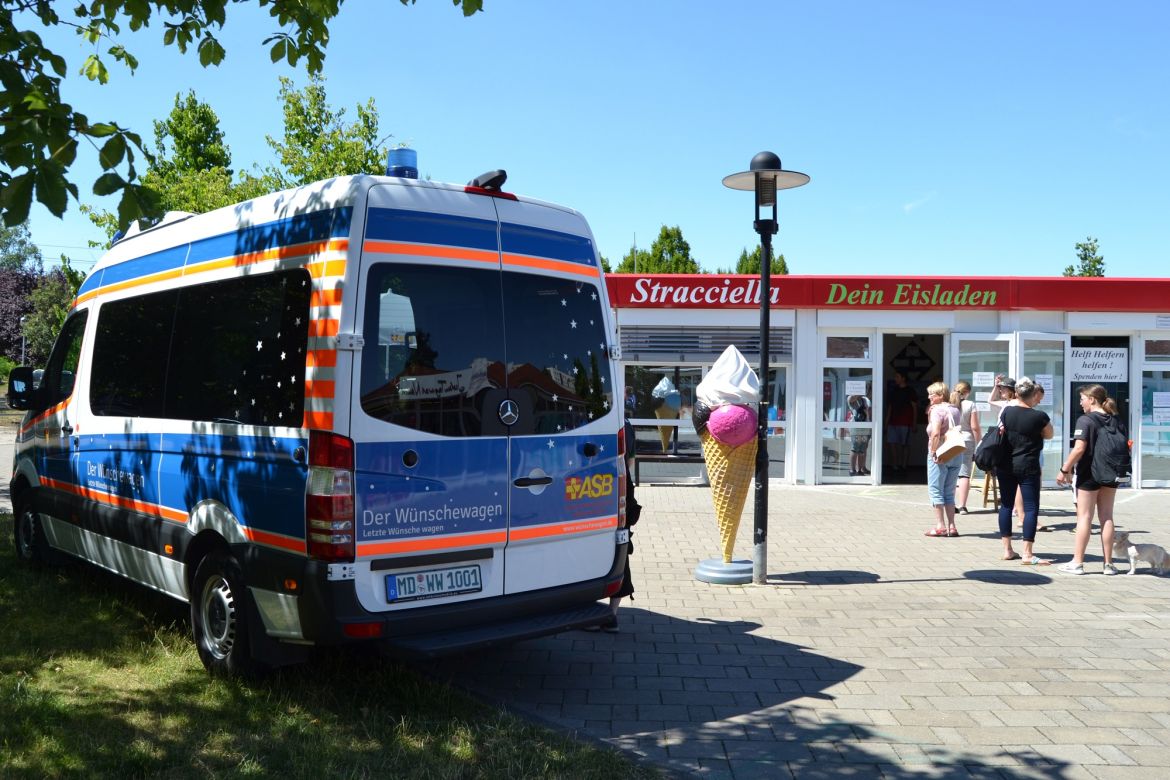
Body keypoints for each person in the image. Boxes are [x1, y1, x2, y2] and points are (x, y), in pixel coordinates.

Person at [1055, 384, 1121, 575]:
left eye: (1082, 398)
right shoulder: (1115, 419)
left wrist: (1064, 468)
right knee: (1107, 516)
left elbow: (1079, 449)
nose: (1081, 402)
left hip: (1089, 473)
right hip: (1111, 473)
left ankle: (1077, 562)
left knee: (1084, 517)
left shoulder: (1086, 420)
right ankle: (1109, 564)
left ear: (1092, 400)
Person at [589, 416, 639, 632]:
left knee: (589, 548)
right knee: (620, 546)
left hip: (592, 487)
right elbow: (630, 462)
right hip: (620, 486)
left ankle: (588, 612)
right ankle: (611, 615)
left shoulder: (590, 420)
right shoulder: (625, 424)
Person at [995, 377, 1053, 563]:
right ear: (1033, 394)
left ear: (1017, 393)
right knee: (1030, 508)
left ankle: (1007, 549)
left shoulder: (1007, 412)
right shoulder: (1039, 416)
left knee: (1006, 505)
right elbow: (1050, 434)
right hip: (1028, 465)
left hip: (1005, 464)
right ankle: (1027, 553)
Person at [924, 382, 962, 537]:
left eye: (932, 394)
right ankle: (952, 526)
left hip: (940, 453)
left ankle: (940, 526)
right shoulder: (955, 409)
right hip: (955, 453)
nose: (929, 397)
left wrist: (933, 451)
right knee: (949, 491)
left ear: (940, 395)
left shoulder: (937, 411)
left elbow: (935, 433)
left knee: (935, 490)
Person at [952, 381, 981, 513]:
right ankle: (962, 505)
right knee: (964, 474)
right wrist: (979, 443)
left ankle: (949, 504)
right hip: (966, 439)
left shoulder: (949, 404)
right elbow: (974, 427)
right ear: (967, 392)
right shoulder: (970, 405)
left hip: (952, 439)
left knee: (951, 473)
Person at [885, 371, 918, 472]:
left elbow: (914, 407)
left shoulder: (910, 391)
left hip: (905, 422)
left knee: (904, 445)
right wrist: (886, 423)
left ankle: (904, 466)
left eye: (897, 376)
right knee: (892, 443)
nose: (895, 378)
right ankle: (895, 465)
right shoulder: (893, 390)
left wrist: (914, 423)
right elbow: (890, 407)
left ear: (903, 378)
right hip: (893, 422)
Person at [848, 393, 872, 476]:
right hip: (856, 428)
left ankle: (860, 470)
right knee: (855, 448)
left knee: (862, 449)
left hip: (865, 428)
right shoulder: (850, 398)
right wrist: (858, 393)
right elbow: (852, 399)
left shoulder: (866, 400)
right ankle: (852, 470)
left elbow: (869, 412)